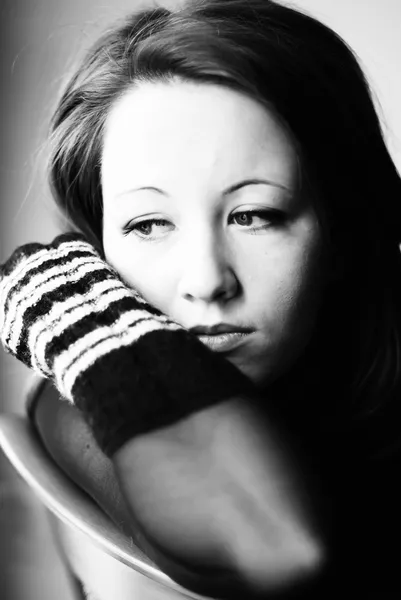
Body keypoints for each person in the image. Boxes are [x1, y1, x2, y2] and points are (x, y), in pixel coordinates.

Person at [1, 0, 401, 597]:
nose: (207, 280)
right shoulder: (89, 386)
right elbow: (261, 537)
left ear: (345, 231)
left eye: (255, 215)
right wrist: (74, 309)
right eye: (146, 225)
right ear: (94, 246)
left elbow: (275, 542)